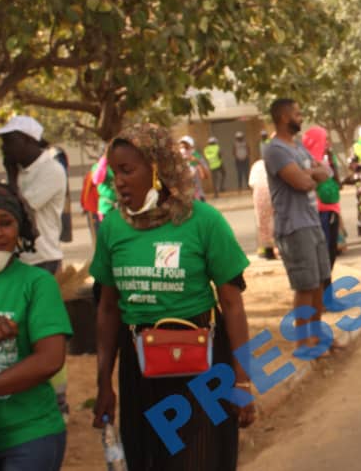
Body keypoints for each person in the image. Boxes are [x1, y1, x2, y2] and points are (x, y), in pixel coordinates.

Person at [90, 123, 255, 470]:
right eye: (114, 171)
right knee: (148, 459)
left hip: (201, 367)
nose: (117, 181)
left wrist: (242, 380)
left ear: (158, 170)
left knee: (197, 459)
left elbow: (233, 306)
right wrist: (104, 383)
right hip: (140, 370)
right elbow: (107, 310)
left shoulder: (204, 221)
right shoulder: (113, 229)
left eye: (127, 170)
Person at [0, 183, 72, 470]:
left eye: (6, 223)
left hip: (30, 435)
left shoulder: (37, 283)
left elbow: (49, 360)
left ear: (20, 230)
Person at [262, 99, 339, 354]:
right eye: (297, 113)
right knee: (305, 285)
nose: (301, 117)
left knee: (318, 282)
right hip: (294, 227)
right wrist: (311, 175)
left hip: (311, 220)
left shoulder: (297, 148)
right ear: (284, 118)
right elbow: (302, 183)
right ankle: (302, 342)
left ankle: (317, 338)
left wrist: (311, 174)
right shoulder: (275, 150)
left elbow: (325, 171)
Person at [0, 116, 66, 275]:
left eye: (9, 141)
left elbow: (19, 209)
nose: (4, 148)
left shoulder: (51, 170)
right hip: (21, 259)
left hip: (42, 260)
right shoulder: (20, 171)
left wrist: (11, 177)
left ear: (27, 140)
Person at [302, 126, 342, 274]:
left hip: (331, 210)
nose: (326, 144)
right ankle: (325, 294)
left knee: (330, 253)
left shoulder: (326, 159)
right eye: (324, 140)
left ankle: (327, 293)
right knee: (324, 255)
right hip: (321, 212)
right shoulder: (307, 162)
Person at [249, 159, 277, 260]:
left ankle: (267, 251)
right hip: (275, 193)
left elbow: (252, 183)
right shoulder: (278, 161)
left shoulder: (256, 165)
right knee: (276, 221)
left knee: (262, 223)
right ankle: (280, 248)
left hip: (260, 195)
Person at [179, 136, 209, 201]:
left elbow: (205, 176)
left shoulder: (197, 158)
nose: (183, 150)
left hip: (197, 196)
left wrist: (198, 163)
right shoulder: (178, 161)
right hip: (183, 199)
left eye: (186, 147)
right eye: (181, 147)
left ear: (192, 148)